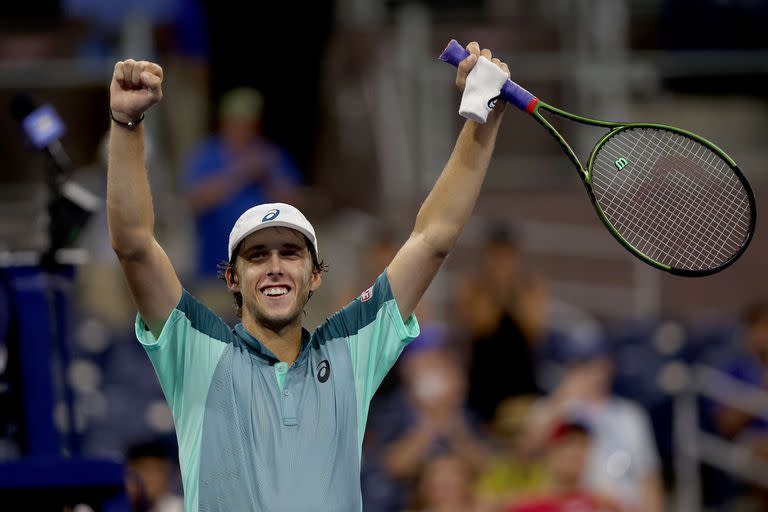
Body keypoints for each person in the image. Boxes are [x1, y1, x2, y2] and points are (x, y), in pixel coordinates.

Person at [106, 42, 508, 511]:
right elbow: (134, 246)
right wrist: (126, 125)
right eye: (257, 256)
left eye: (290, 253)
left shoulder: (352, 347)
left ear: (314, 276)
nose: (275, 265)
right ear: (232, 279)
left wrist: (482, 115)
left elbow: (433, 237)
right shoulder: (197, 349)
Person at [524, 336, 664, 512]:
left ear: (608, 366)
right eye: (582, 365)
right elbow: (525, 453)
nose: (591, 373)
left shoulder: (630, 415)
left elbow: (648, 478)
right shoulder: (557, 409)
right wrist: (561, 399)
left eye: (596, 364)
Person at [181, 86, 304, 281]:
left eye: (248, 123)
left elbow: (295, 207)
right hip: (214, 269)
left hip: (263, 270)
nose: (241, 129)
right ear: (224, 122)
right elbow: (195, 202)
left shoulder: (270, 156)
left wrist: (268, 177)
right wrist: (240, 173)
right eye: (236, 123)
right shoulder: (207, 154)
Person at [507, 419, 623, 512]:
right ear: (550, 452)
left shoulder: (604, 504)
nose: (576, 452)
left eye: (583, 445)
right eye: (568, 444)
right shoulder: (526, 506)